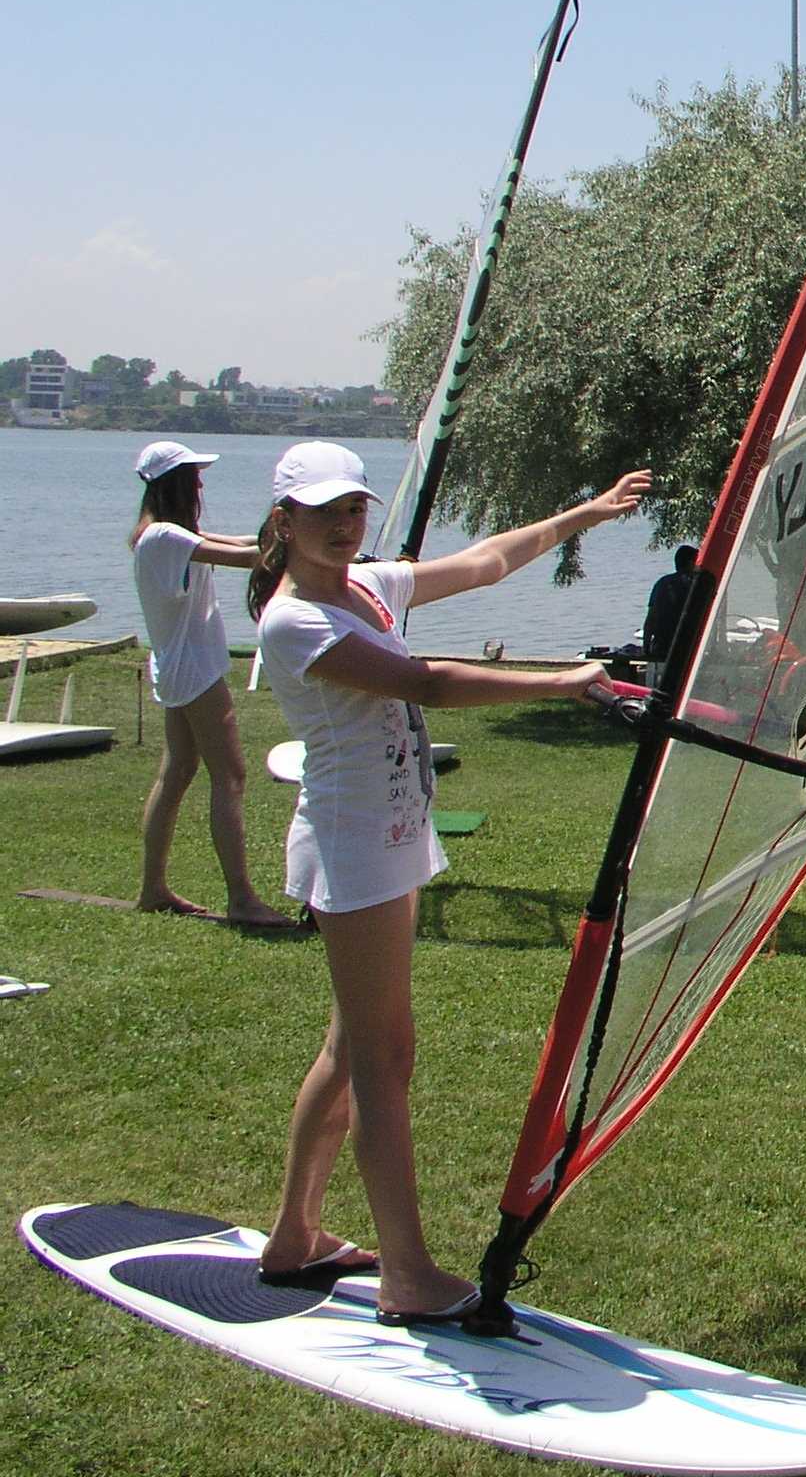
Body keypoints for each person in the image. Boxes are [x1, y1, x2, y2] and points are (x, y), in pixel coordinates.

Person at [248, 440, 647, 1320]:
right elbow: (425, 683)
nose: (347, 525)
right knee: (384, 1057)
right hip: (355, 845)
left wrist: (585, 513)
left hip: (386, 834)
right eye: (325, 514)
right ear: (285, 523)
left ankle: (293, 1239)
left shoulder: (357, 588)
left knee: (352, 1047)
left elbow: (481, 563)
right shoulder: (293, 620)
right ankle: (406, 1274)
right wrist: (565, 681)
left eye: (354, 509)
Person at [127, 441, 291, 926]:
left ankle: (153, 889)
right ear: (175, 483)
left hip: (180, 667)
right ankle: (241, 898)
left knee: (176, 773)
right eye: (193, 475)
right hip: (195, 671)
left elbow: (243, 543)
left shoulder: (167, 536)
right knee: (231, 775)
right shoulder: (164, 539)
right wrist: (294, 538)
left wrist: (287, 526)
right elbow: (251, 560)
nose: (200, 484)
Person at [643, 543, 698, 685]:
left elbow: (651, 618)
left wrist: (646, 647)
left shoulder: (662, 583)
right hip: (689, 646)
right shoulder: (697, 585)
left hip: (662, 647)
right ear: (692, 562)